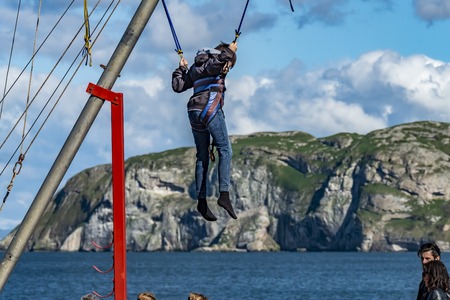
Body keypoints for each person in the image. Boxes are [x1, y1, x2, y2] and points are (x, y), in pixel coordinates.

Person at [172, 41, 239, 222]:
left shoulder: (195, 68)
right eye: (230, 66)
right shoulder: (213, 63)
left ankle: (201, 201)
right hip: (208, 107)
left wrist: (181, 70)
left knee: (202, 156)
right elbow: (221, 59)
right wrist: (231, 52)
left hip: (193, 111)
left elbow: (178, 86)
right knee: (225, 150)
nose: (228, 68)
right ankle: (224, 195)